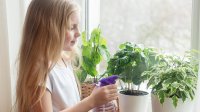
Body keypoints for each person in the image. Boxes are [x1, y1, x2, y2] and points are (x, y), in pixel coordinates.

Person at [15, 0, 118, 112]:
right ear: (50, 30)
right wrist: (91, 101)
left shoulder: (64, 59)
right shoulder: (39, 70)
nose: (78, 32)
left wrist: (97, 105)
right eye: (72, 27)